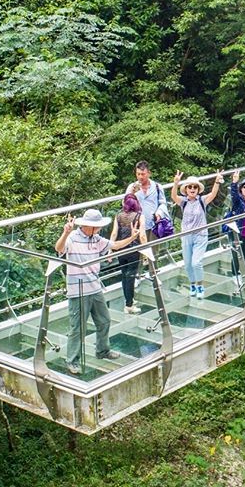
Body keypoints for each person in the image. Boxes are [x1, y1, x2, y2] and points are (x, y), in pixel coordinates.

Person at [55, 209, 141, 375]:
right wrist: (65, 233)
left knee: (104, 321)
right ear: (88, 226)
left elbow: (114, 246)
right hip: (78, 291)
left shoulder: (96, 239)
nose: (99, 229)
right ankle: (72, 361)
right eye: (97, 227)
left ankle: (102, 350)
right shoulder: (73, 238)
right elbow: (59, 249)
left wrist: (132, 237)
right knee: (77, 328)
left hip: (94, 287)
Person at [171, 171, 223, 299]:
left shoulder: (202, 200)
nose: (192, 189)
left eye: (195, 187)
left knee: (196, 263)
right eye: (190, 187)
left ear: (198, 189)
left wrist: (217, 181)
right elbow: (174, 197)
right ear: (186, 189)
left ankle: (200, 285)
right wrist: (176, 183)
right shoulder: (184, 201)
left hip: (200, 235)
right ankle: (193, 284)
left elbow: (213, 194)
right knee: (188, 263)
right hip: (186, 235)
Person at [110, 194, 147, 314]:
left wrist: (110, 249)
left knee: (124, 274)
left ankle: (128, 299)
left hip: (121, 249)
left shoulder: (118, 215)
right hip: (134, 250)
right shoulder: (139, 216)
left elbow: (115, 233)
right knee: (130, 276)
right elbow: (142, 236)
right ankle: (129, 305)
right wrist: (146, 252)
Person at [125, 161, 169, 242]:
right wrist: (132, 193)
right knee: (138, 253)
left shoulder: (157, 187)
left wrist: (159, 213)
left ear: (149, 173)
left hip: (153, 225)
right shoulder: (131, 187)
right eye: (138, 174)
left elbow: (163, 203)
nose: (140, 177)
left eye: (143, 174)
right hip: (137, 226)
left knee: (153, 253)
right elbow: (125, 206)